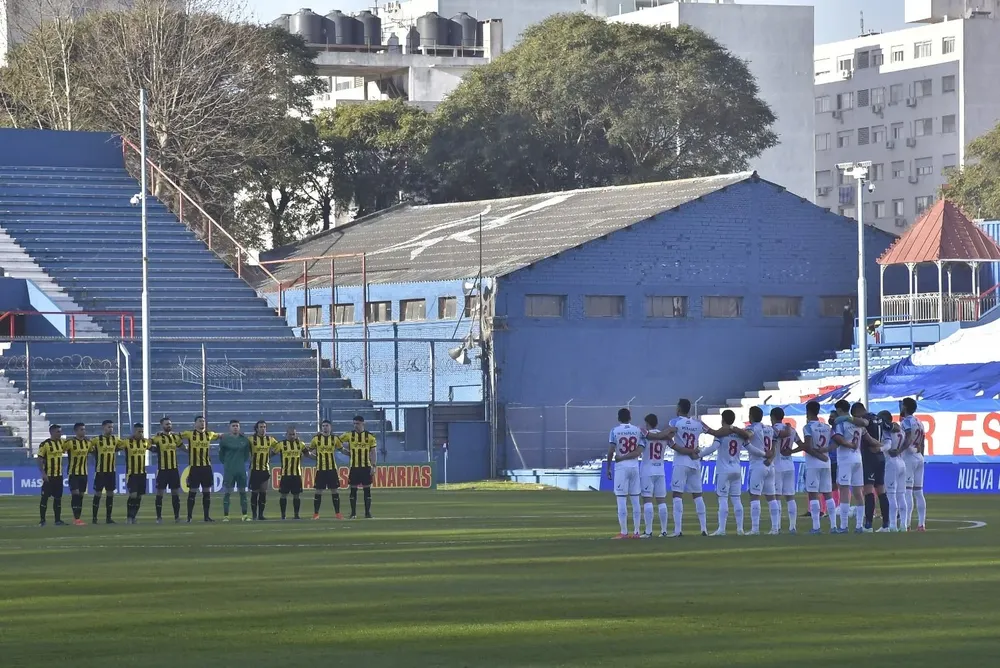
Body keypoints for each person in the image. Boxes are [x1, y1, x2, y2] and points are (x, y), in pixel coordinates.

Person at [698, 410, 746, 536]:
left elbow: (713, 448)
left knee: (723, 498)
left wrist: (698, 455)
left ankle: (722, 529)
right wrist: (765, 455)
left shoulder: (721, 433)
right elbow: (751, 447)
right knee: (736, 499)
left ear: (723, 419)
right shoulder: (739, 434)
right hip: (736, 469)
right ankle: (740, 529)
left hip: (723, 470)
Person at [606, 407, 645, 539]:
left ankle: (623, 532)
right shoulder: (637, 430)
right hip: (634, 466)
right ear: (630, 418)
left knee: (621, 499)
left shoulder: (614, 431)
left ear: (618, 418)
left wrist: (608, 467)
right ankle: (637, 532)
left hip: (621, 467)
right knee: (635, 499)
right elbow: (640, 450)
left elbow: (611, 450)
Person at [831, 400, 866, 534]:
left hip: (846, 459)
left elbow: (839, 439)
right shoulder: (856, 423)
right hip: (858, 458)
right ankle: (859, 525)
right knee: (858, 492)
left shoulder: (841, 423)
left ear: (839, 410)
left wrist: (847, 444)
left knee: (844, 491)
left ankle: (844, 525)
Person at [802, 401, 837, 534]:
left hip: (813, 464)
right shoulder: (826, 427)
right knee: (828, 494)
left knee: (813, 494)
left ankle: (816, 527)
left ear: (808, 412)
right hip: (826, 463)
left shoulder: (807, 427)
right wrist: (826, 451)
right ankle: (833, 526)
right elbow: (836, 443)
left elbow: (808, 447)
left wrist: (819, 455)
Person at [746, 406, 779, 535]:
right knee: (771, 497)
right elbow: (776, 441)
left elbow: (747, 435)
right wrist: (770, 458)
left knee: (755, 496)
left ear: (752, 416)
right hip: (770, 466)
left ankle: (755, 529)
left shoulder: (752, 428)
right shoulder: (769, 429)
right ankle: (775, 528)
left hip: (758, 464)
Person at [770, 408, 803, 534]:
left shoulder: (773, 430)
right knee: (790, 497)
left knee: (776, 497)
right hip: (789, 465)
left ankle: (777, 526)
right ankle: (792, 526)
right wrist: (792, 451)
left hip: (777, 465)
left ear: (772, 417)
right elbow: (802, 444)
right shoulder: (792, 430)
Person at [181, 416, 219, 523]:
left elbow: (220, 436)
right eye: (200, 421)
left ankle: (206, 517)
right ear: (195, 424)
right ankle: (189, 517)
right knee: (192, 491)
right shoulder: (189, 434)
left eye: (203, 421)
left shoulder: (209, 434)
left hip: (207, 467)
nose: (202, 423)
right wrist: (183, 448)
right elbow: (176, 437)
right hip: (195, 468)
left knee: (207, 492)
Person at [340, 416, 378, 519]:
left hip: (366, 467)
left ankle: (367, 513)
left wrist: (373, 466)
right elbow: (336, 442)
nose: (355, 425)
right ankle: (353, 513)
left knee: (367, 490)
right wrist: (346, 452)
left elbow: (373, 452)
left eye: (357, 423)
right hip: (354, 467)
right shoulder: (349, 435)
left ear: (362, 423)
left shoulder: (370, 437)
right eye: (354, 423)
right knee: (353, 490)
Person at [638, 414, 668, 537]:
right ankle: (664, 530)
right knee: (661, 500)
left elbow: (639, 450)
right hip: (660, 470)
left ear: (648, 424)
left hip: (647, 470)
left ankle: (649, 531)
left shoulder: (645, 436)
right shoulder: (664, 436)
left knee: (647, 500)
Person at [860, 407, 889, 532]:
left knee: (868, 490)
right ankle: (886, 525)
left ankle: (868, 525)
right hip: (880, 457)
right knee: (881, 490)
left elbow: (863, 426)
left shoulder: (865, 420)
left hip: (869, 457)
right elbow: (892, 427)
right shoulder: (880, 419)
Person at [879, 410, 908, 532]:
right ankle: (904, 525)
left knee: (891, 495)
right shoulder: (900, 429)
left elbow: (888, 446)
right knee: (901, 495)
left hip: (891, 462)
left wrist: (879, 449)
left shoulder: (886, 430)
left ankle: (892, 525)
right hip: (901, 461)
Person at [900, 397, 926, 532]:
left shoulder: (906, 422)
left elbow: (908, 437)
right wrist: (921, 455)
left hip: (909, 457)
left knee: (908, 491)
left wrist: (899, 451)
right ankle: (921, 524)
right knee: (919, 491)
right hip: (919, 456)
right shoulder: (920, 422)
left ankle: (907, 524)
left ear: (905, 407)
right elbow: (922, 443)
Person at [151, 417, 184, 524]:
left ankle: (177, 517)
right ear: (162, 425)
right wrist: (155, 450)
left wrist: (192, 452)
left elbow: (183, 447)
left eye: (170, 424)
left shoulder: (175, 437)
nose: (169, 426)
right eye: (166, 424)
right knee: (160, 493)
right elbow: (147, 444)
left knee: (175, 493)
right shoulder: (158, 437)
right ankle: (159, 517)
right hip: (163, 470)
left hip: (173, 469)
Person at [218, 419, 250, 523]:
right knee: (227, 493)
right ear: (229, 427)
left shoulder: (244, 440)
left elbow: (246, 455)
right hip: (229, 471)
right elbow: (221, 456)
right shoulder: (225, 440)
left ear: (239, 427)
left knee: (243, 493)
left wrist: (239, 463)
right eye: (233, 426)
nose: (235, 427)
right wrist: (228, 464)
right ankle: (226, 516)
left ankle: (244, 515)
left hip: (241, 470)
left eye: (237, 426)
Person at [310, 420, 343, 520]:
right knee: (318, 491)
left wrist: (351, 454)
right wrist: (316, 457)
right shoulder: (316, 439)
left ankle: (337, 513)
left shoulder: (335, 439)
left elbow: (341, 449)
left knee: (334, 490)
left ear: (330, 427)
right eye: (323, 426)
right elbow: (309, 451)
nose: (325, 427)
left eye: (326, 426)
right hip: (320, 469)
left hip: (332, 469)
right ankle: (316, 514)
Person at [37, 424, 66, 526]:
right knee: (45, 498)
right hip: (49, 476)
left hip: (59, 475)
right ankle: (42, 520)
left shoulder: (62, 442)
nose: (60, 433)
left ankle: (57, 520)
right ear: (52, 432)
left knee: (58, 498)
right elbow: (39, 459)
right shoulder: (45, 444)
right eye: (58, 432)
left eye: (60, 431)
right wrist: (43, 473)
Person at [122, 423, 151, 524]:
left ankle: (133, 517)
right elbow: (116, 447)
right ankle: (129, 517)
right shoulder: (127, 442)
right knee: (133, 495)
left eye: (142, 431)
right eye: (139, 431)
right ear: (134, 432)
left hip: (142, 474)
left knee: (139, 496)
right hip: (131, 474)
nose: (141, 433)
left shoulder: (145, 442)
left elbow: (154, 448)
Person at [91, 420, 118, 524]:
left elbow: (122, 446)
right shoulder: (97, 440)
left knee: (110, 494)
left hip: (111, 471)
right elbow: (89, 447)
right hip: (100, 472)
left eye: (112, 427)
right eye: (109, 427)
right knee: (98, 494)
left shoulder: (115, 439)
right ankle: (94, 518)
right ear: (103, 427)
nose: (111, 429)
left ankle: (108, 518)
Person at [249, 420, 277, 521]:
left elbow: (278, 447)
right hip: (255, 470)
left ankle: (261, 515)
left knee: (263, 493)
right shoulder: (251, 439)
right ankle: (254, 514)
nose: (263, 429)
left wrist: (271, 455)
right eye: (261, 427)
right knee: (254, 493)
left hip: (265, 470)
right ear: (257, 428)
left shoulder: (270, 439)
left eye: (264, 427)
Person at [65, 422, 91, 526]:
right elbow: (60, 450)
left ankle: (78, 518)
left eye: (84, 429)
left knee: (80, 496)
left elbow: (93, 451)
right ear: (76, 431)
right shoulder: (70, 443)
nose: (83, 431)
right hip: (73, 473)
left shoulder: (88, 443)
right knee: (75, 494)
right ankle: (76, 518)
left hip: (84, 473)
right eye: (81, 430)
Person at [277, 426, 305, 520]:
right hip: (285, 475)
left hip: (297, 475)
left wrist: (318, 458)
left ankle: (296, 515)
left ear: (296, 435)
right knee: (283, 495)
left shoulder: (301, 444)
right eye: (290, 434)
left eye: (294, 434)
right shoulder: (281, 444)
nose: (292, 436)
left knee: (296, 495)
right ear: (286, 435)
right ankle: (283, 515)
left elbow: (307, 453)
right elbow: (272, 453)